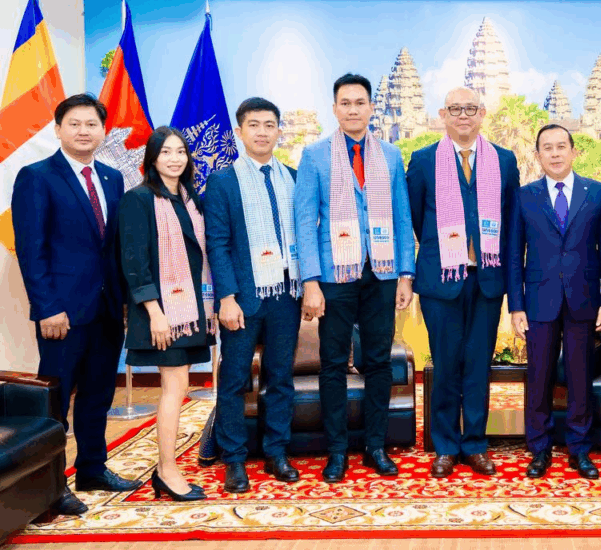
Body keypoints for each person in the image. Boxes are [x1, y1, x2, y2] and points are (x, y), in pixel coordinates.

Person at [11, 94, 141, 516]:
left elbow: (112, 247)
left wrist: (125, 300)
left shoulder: (111, 177)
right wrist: (47, 307)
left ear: (102, 131)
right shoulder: (36, 177)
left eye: (91, 124)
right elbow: (31, 250)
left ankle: (92, 469)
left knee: (98, 395)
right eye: (75, 123)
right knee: (56, 404)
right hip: (61, 313)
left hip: (106, 308)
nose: (84, 131)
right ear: (58, 129)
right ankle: (52, 485)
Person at [294, 74, 415, 482]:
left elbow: (402, 218)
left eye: (360, 102)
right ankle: (337, 451)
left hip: (382, 272)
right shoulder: (314, 156)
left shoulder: (391, 156)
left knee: (378, 362)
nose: (353, 109)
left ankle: (375, 447)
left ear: (371, 108)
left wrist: (405, 275)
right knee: (332, 364)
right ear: (335, 109)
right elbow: (304, 222)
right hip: (334, 276)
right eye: (345, 103)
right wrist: (310, 281)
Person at [407, 86, 521, 478]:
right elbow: (416, 216)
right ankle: (445, 446)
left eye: (470, 108)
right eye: (455, 108)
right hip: (441, 280)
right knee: (445, 364)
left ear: (482, 113)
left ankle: (474, 444)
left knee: (477, 365)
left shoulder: (504, 161)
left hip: (487, 279)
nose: (463, 116)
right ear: (443, 114)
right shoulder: (423, 161)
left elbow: (511, 219)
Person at [507, 124, 601, 479]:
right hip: (539, 301)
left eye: (560, 147)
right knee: (538, 376)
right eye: (547, 148)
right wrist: (516, 306)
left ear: (573, 151)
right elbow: (514, 255)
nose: (554, 153)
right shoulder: (524, 196)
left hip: (584, 300)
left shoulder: (597, 193)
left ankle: (579, 449)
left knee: (580, 376)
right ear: (538, 155)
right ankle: (539, 448)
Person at [205, 98, 302, 492]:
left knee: (280, 378)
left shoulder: (293, 177)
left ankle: (276, 452)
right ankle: (234, 459)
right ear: (239, 131)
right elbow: (218, 243)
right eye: (254, 125)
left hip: (286, 295)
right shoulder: (223, 181)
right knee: (234, 379)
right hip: (243, 298)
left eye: (269, 125)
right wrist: (226, 297)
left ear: (279, 130)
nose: (262, 132)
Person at [119, 126, 216, 501]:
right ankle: (167, 471)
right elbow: (134, 262)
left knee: (179, 387)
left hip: (190, 309)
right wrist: (155, 313)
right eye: (166, 152)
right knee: (174, 389)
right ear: (152, 159)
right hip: (162, 314)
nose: (174, 158)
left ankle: (167, 469)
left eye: (180, 152)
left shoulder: (190, 200)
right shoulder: (139, 199)